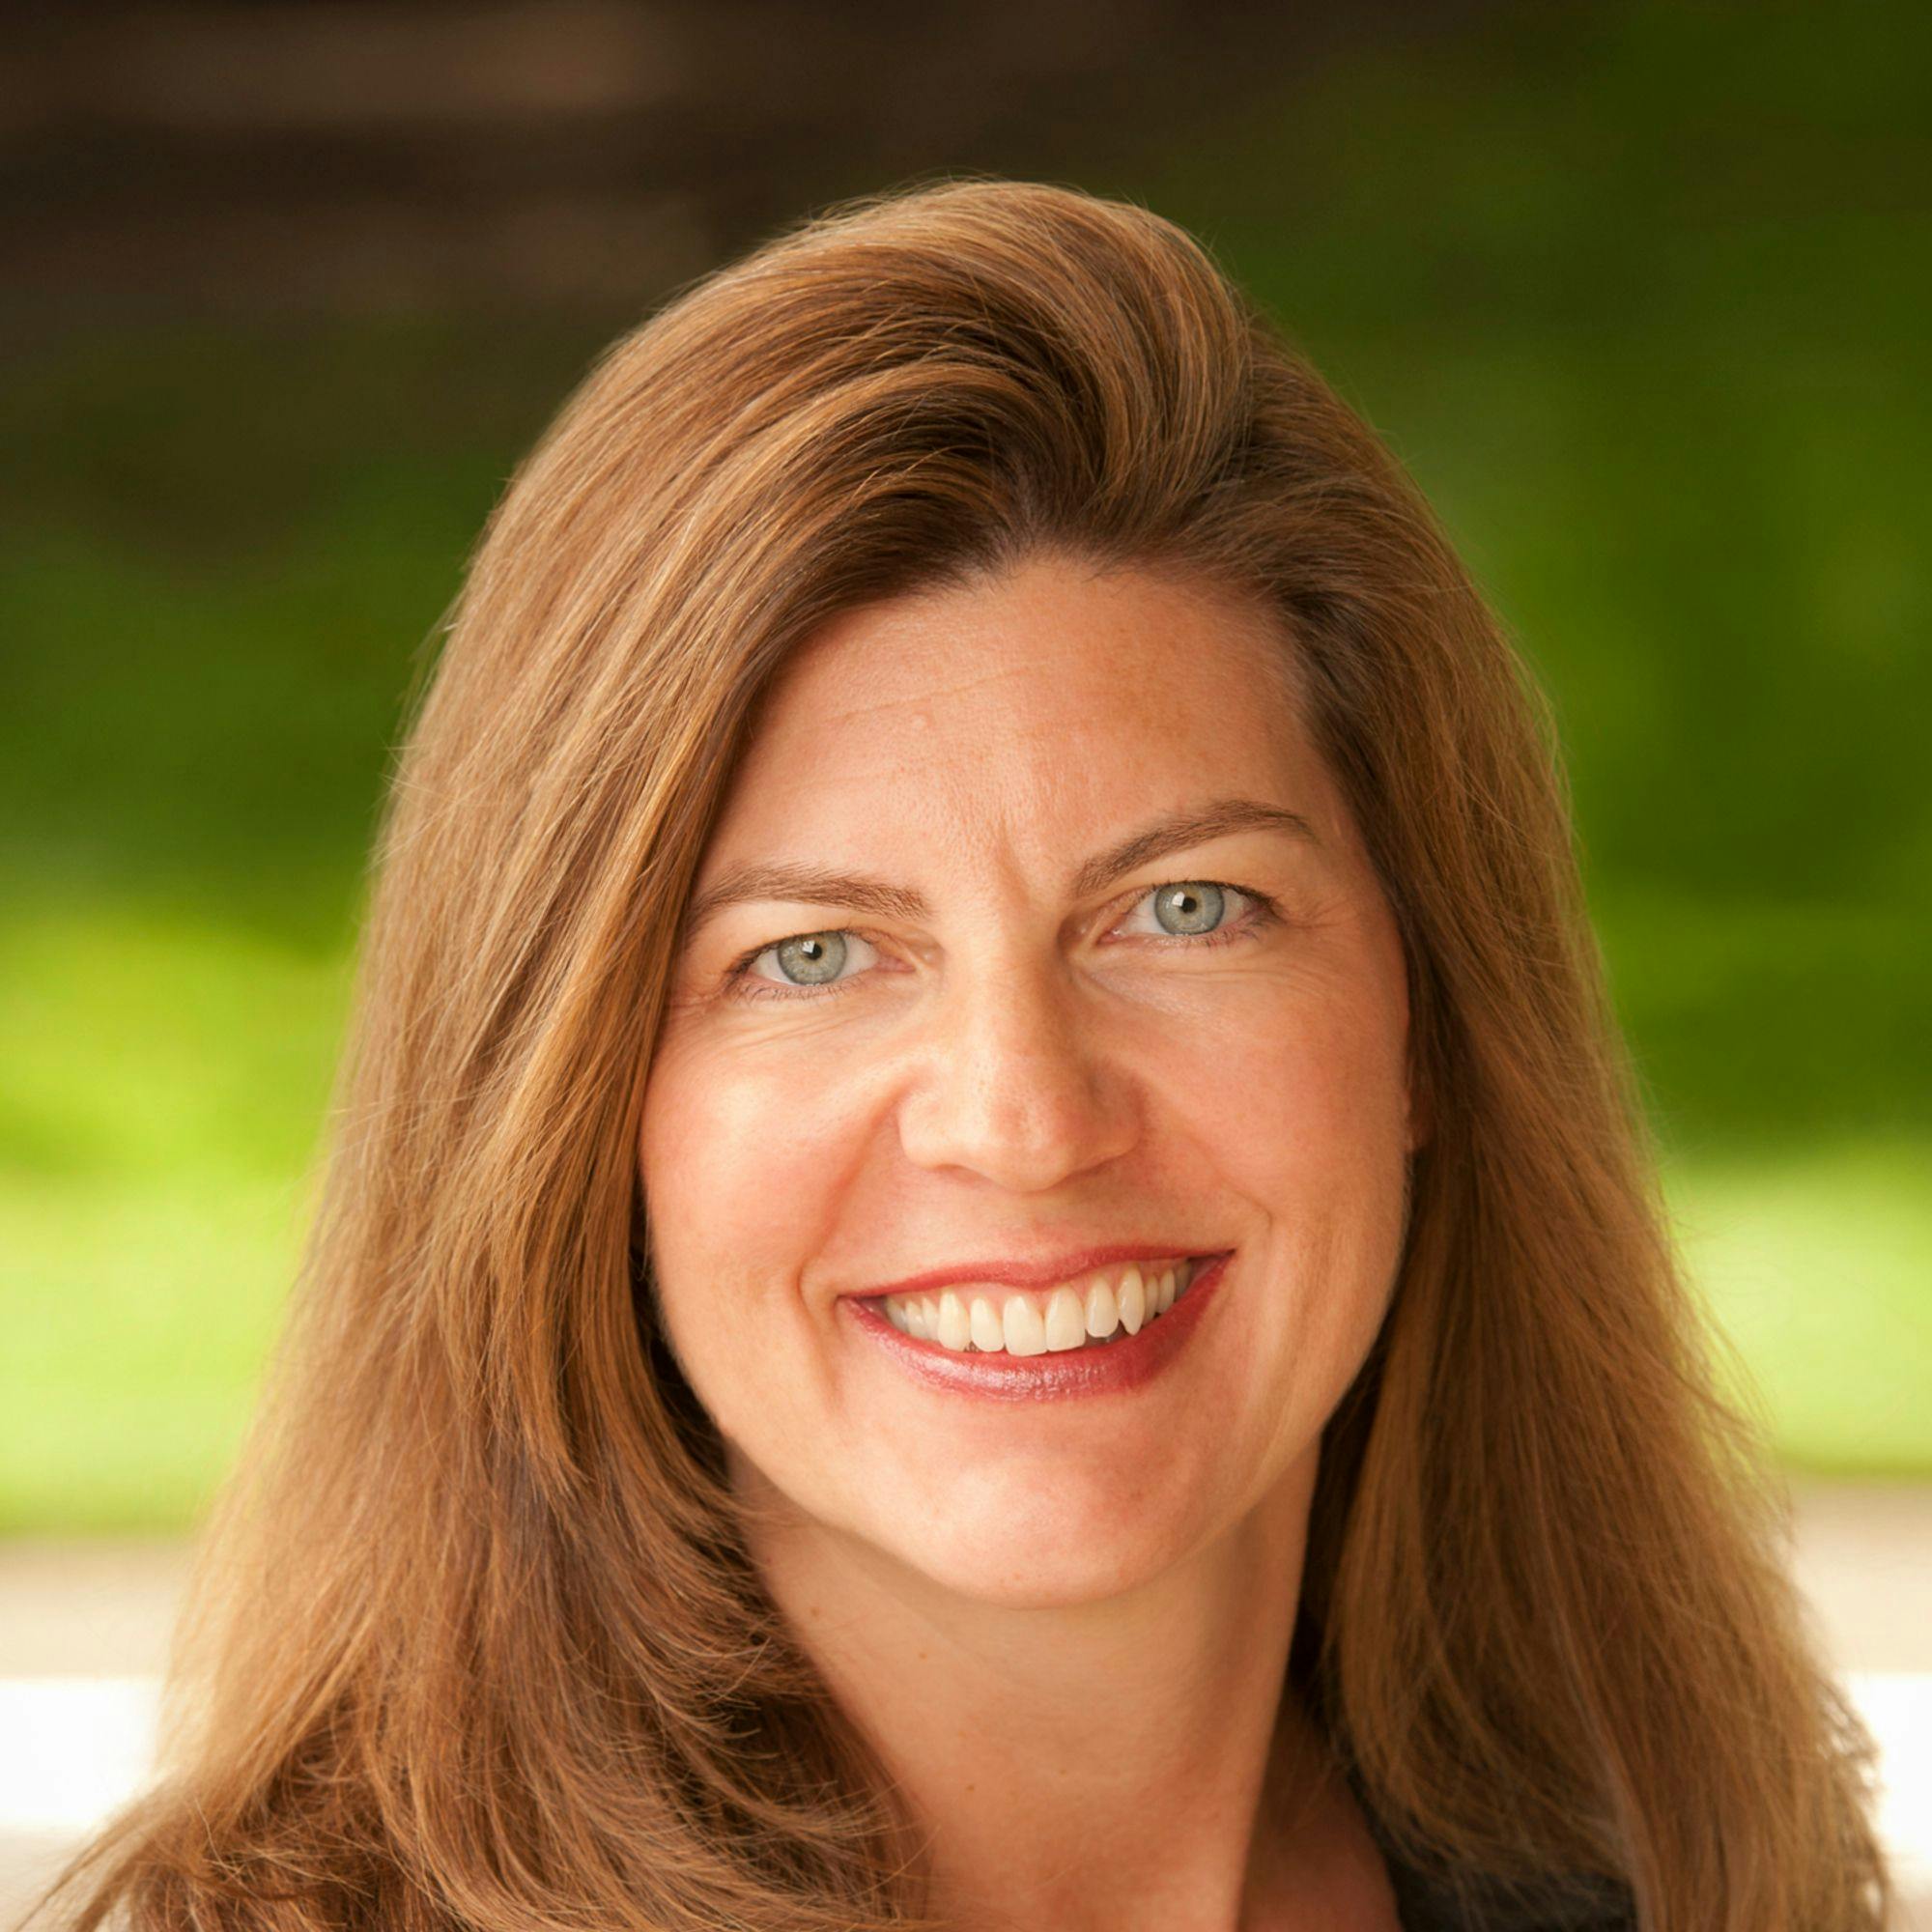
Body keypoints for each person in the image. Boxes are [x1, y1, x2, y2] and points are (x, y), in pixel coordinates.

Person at [37, 178, 1889, 1932]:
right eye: (813, 955)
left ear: (1426, 1016)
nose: (1025, 1120)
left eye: (1185, 910)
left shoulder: (1680, 1878)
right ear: (572, 1112)